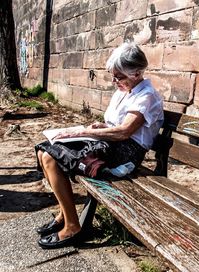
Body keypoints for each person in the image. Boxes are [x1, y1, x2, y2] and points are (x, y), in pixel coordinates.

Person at [34, 42, 164, 249]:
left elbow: (124, 132)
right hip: (111, 144)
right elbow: (119, 126)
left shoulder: (146, 96)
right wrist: (101, 126)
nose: (114, 81)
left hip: (125, 154)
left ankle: (72, 226)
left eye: (119, 76)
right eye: (113, 75)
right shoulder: (126, 90)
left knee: (51, 157)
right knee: (44, 150)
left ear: (137, 73)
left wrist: (83, 132)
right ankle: (64, 213)